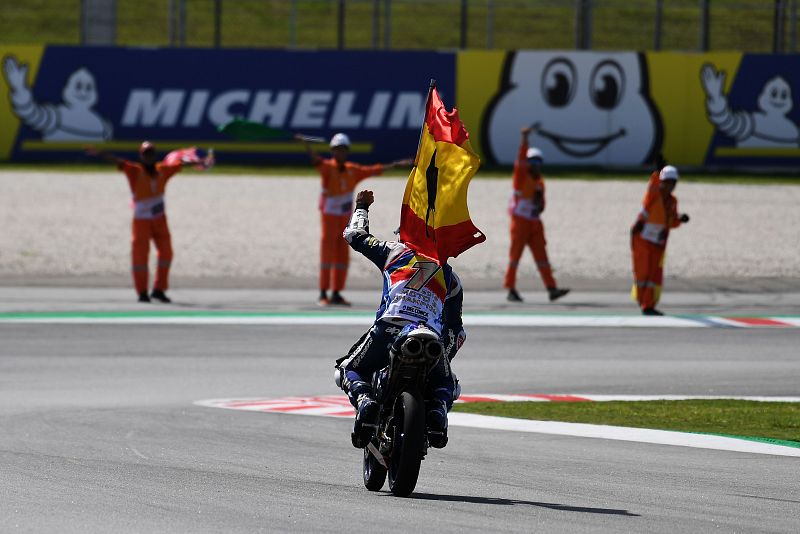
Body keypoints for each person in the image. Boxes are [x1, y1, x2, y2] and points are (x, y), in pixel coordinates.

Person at [335, 190, 466, 449]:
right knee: (449, 384)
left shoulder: (394, 252)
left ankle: (365, 401)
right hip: (430, 335)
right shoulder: (451, 278)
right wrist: (444, 359)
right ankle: (438, 411)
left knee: (346, 370)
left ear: (404, 236)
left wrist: (362, 206)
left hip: (390, 327)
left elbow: (354, 235)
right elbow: (456, 331)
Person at [87, 141, 210, 303]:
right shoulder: (134, 171)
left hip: (160, 220)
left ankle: (159, 289)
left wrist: (198, 162)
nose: (149, 156)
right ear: (141, 156)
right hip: (141, 221)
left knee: (166, 253)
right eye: (146, 153)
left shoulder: (162, 170)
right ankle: (142, 292)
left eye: (151, 153)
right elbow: (117, 161)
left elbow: (180, 165)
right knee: (140, 257)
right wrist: (99, 154)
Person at [297, 133, 411, 306]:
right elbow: (315, 161)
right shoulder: (328, 167)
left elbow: (374, 170)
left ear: (347, 151)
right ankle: (322, 293)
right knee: (327, 254)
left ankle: (336, 293)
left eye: (343, 150)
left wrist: (395, 165)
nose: (340, 153)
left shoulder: (353, 170)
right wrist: (306, 145)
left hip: (344, 219)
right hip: (329, 219)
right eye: (337, 150)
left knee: (342, 256)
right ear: (333, 152)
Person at [504, 126, 570, 303]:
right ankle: (510, 288)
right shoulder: (520, 177)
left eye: (538, 162)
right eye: (532, 162)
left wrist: (540, 204)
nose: (535, 165)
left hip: (534, 222)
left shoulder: (539, 182)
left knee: (542, 258)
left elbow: (541, 206)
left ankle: (552, 288)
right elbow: (520, 160)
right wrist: (525, 140)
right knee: (515, 257)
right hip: (520, 222)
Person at [630, 164, 690, 316]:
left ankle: (648, 305)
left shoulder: (673, 201)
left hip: (658, 243)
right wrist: (658, 172)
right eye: (667, 182)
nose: (670, 186)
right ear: (661, 182)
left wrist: (679, 219)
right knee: (642, 272)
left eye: (673, 183)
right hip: (641, 239)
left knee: (654, 275)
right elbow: (652, 185)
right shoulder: (654, 194)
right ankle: (641, 299)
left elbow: (671, 222)